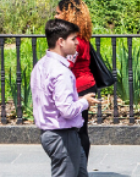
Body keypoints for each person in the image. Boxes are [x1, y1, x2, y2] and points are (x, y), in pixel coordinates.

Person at [29, 18, 97, 177]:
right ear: (60, 42)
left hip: (61, 134)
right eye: (72, 39)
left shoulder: (43, 65)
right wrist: (84, 102)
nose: (77, 44)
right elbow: (67, 110)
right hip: (61, 135)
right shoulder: (59, 71)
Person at [56, 0, 96, 159]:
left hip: (78, 88)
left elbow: (65, 66)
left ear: (68, 14)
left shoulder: (74, 41)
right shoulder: (81, 38)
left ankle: (78, 172)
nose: (55, 16)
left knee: (76, 131)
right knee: (80, 130)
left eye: (58, 13)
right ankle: (80, 171)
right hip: (85, 85)